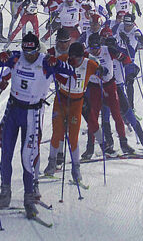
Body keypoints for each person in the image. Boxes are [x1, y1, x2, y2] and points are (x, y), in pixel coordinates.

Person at [0, 33, 73, 219]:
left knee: (27, 156)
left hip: (32, 112)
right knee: (6, 153)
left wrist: (56, 63)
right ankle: (5, 192)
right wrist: (0, 57)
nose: (29, 55)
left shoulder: (45, 61)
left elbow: (70, 72)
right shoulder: (16, 57)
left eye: (32, 52)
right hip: (13, 109)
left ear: (37, 49)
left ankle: (29, 198)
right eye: (26, 51)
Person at [44, 42, 100, 186]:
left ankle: (76, 169)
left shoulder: (89, 64)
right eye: (71, 57)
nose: (73, 61)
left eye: (77, 58)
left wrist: (103, 71)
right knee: (57, 133)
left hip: (77, 103)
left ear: (82, 56)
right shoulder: (63, 59)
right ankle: (52, 163)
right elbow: (48, 65)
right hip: (61, 100)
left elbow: (101, 70)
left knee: (73, 138)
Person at [83, 33, 136, 158]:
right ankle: (89, 148)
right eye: (92, 48)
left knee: (117, 115)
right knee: (92, 118)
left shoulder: (108, 50)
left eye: (97, 48)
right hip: (94, 88)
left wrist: (122, 58)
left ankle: (124, 144)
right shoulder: (86, 53)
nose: (95, 51)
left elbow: (127, 59)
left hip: (109, 86)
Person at [112, 13, 143, 109]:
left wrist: (141, 38)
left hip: (129, 56)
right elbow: (109, 33)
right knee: (115, 80)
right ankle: (115, 103)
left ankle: (130, 106)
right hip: (118, 55)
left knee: (129, 81)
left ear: (133, 24)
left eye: (129, 25)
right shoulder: (119, 26)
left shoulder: (135, 30)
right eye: (125, 24)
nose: (127, 27)